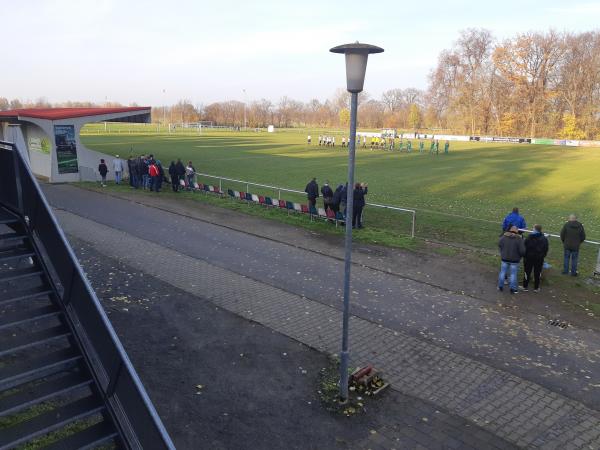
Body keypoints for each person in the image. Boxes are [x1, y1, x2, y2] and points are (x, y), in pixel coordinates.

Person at [497, 225, 526, 294]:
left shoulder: (503, 237)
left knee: (502, 272)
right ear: (517, 231)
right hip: (515, 260)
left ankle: (500, 286)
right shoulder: (519, 239)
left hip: (504, 258)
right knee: (513, 274)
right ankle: (512, 289)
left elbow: (499, 244)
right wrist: (520, 256)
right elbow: (522, 251)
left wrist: (503, 252)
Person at [522, 224, 549, 292]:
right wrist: (543, 255)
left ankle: (525, 286)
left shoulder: (529, 238)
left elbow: (525, 247)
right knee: (537, 272)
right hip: (539, 258)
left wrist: (525, 255)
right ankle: (536, 288)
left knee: (527, 272)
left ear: (534, 229)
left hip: (529, 258)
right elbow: (546, 249)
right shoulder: (544, 239)